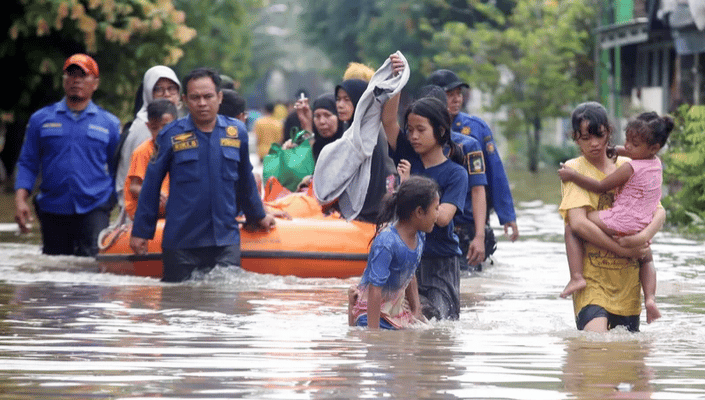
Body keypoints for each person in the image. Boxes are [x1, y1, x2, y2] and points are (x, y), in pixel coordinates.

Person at [130, 67, 275, 282]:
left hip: (225, 241)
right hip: (181, 243)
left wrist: (259, 216)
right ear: (185, 100)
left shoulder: (237, 133)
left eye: (208, 96)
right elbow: (151, 185)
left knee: (227, 307)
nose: (202, 103)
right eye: (195, 97)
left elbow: (245, 181)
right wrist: (141, 231)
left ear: (219, 97)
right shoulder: (170, 134)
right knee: (178, 308)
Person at [558, 102, 666, 332]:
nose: (594, 143)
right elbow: (578, 223)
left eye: (599, 135)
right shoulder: (574, 169)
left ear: (609, 130)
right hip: (593, 282)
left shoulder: (632, 163)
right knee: (597, 348)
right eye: (586, 138)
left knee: (625, 360)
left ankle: (650, 300)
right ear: (576, 138)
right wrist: (624, 249)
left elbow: (658, 210)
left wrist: (643, 237)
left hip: (628, 284)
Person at [14, 53, 121, 256]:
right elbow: (28, 163)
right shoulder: (41, 119)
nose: (77, 80)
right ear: (64, 81)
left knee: (92, 268)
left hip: (95, 206)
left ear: (95, 83)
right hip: (53, 207)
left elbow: (119, 170)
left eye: (84, 75)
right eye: (71, 75)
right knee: (55, 270)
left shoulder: (109, 124)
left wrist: (111, 201)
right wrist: (20, 200)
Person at [382, 83, 469, 320]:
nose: (413, 136)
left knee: (438, 322)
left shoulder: (456, 174)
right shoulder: (408, 156)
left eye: (420, 130)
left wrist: (409, 185)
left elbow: (442, 218)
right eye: (410, 130)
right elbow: (389, 121)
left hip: (440, 260)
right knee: (401, 317)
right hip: (407, 257)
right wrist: (397, 81)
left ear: (440, 131)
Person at [427, 69, 519, 243]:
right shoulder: (421, 130)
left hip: (469, 219)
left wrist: (507, 215)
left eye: (459, 94)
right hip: (432, 219)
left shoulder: (476, 129)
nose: (457, 99)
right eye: (449, 94)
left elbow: (495, 172)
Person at [349, 176, 439, 329]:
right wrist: (373, 334)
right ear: (419, 212)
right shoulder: (387, 242)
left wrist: (416, 311)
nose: (438, 214)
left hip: (395, 310)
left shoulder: (419, 235)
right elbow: (375, 290)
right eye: (436, 208)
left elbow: (409, 274)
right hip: (370, 312)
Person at [418, 84, 489, 268]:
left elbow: (478, 189)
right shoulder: (413, 146)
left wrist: (479, 236)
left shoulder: (467, 146)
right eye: (451, 95)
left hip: (460, 230)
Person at [115, 66, 182, 208]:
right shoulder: (144, 129)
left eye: (172, 88)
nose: (167, 94)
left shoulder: (180, 125)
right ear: (148, 92)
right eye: (158, 89)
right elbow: (133, 185)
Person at [123, 99, 178, 220]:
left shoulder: (181, 148)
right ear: (148, 126)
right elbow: (134, 187)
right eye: (154, 128)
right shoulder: (143, 151)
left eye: (165, 127)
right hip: (145, 213)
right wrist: (154, 192)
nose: (160, 132)